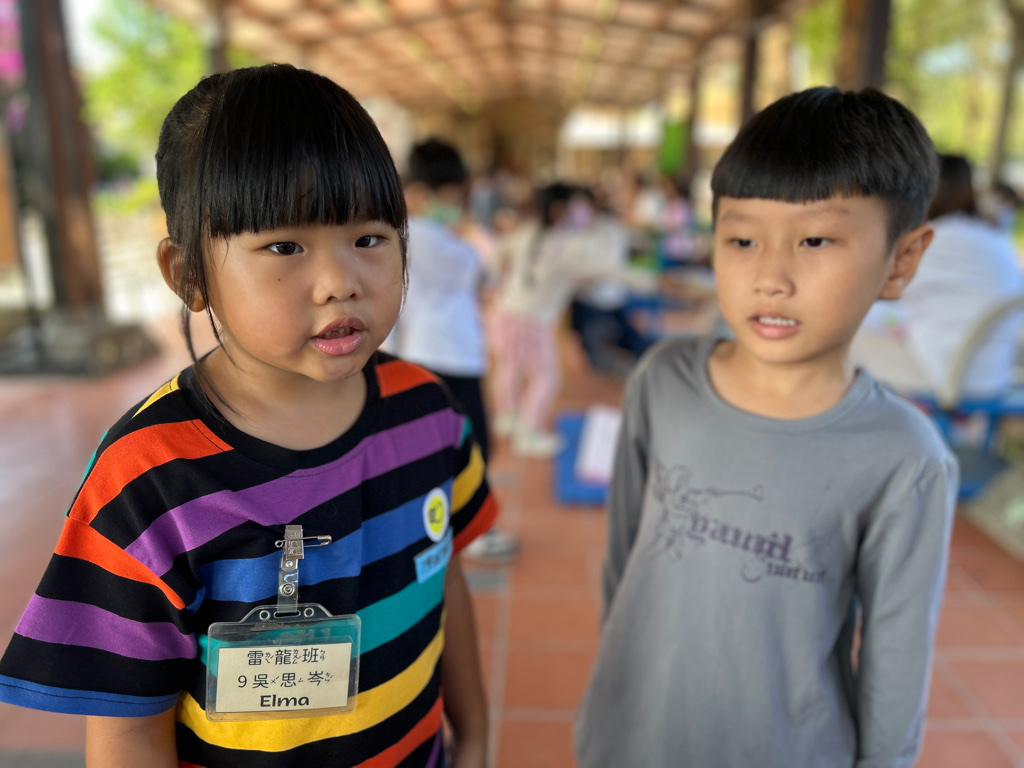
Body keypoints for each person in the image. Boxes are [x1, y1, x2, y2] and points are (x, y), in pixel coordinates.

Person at [0, 64, 494, 767]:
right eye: (285, 247)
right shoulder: (146, 479)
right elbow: (128, 729)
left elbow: (447, 578)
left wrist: (474, 737)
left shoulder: (429, 414)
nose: (340, 282)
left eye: (369, 238)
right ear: (188, 275)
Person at [575, 86, 958, 767]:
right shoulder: (663, 381)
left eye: (815, 240)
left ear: (900, 260)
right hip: (633, 734)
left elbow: (897, 657)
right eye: (742, 239)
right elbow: (623, 560)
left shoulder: (905, 457)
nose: (770, 276)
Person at [386, 137, 518, 563]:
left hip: (427, 351)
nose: (454, 204)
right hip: (451, 356)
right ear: (421, 191)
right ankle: (471, 530)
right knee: (473, 447)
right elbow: (481, 273)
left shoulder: (406, 235)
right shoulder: (431, 238)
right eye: (448, 194)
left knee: (438, 447)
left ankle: (445, 528)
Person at [489, 182, 655, 456]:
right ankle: (528, 433)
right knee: (546, 377)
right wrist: (653, 282)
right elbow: (612, 271)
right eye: (577, 206)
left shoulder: (528, 232)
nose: (583, 213)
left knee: (510, 366)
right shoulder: (570, 245)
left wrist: (501, 277)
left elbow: (498, 253)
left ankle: (506, 419)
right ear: (560, 210)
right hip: (533, 321)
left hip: (506, 312)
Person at [851, 154, 1024, 399]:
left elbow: (875, 287)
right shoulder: (992, 236)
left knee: (837, 333)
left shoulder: (936, 239)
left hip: (947, 374)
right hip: (991, 375)